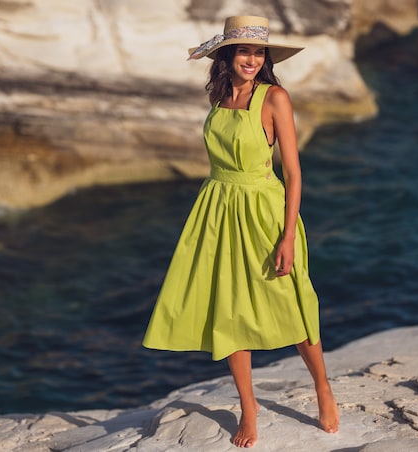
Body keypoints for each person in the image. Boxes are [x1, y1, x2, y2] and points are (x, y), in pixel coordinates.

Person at [142, 15, 339, 448]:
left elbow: (294, 172)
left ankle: (322, 387)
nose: (251, 59)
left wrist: (288, 235)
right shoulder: (218, 99)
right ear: (227, 56)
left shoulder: (274, 98)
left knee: (294, 300)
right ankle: (248, 409)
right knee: (227, 309)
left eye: (258, 52)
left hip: (265, 212)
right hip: (217, 209)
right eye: (243, 51)